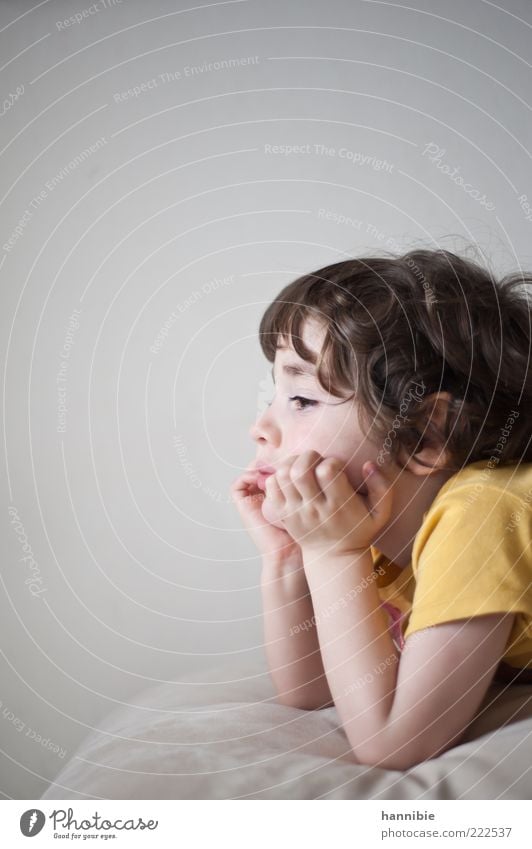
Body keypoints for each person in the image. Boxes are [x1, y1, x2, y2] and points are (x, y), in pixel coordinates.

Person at [231, 247, 532, 770]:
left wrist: (333, 555)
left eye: (302, 399)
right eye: (273, 394)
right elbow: (312, 692)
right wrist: (288, 560)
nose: (260, 427)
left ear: (425, 433)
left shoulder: (482, 513)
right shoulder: (385, 519)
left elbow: (394, 745)